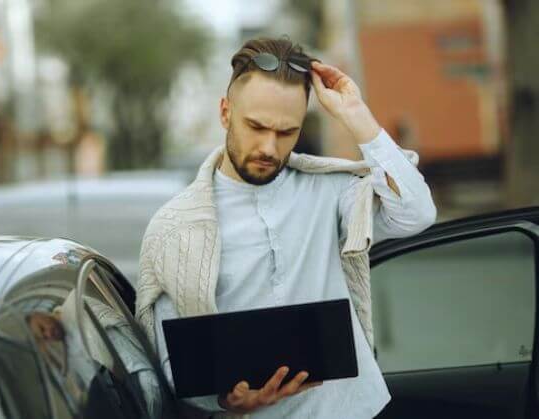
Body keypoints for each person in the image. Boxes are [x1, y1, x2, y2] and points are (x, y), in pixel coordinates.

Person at [135, 37, 437, 419]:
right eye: (256, 126)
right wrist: (225, 400)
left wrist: (356, 114)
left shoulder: (330, 190)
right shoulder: (174, 228)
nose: (269, 148)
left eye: (285, 132)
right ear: (225, 112)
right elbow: (167, 360)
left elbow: (416, 213)